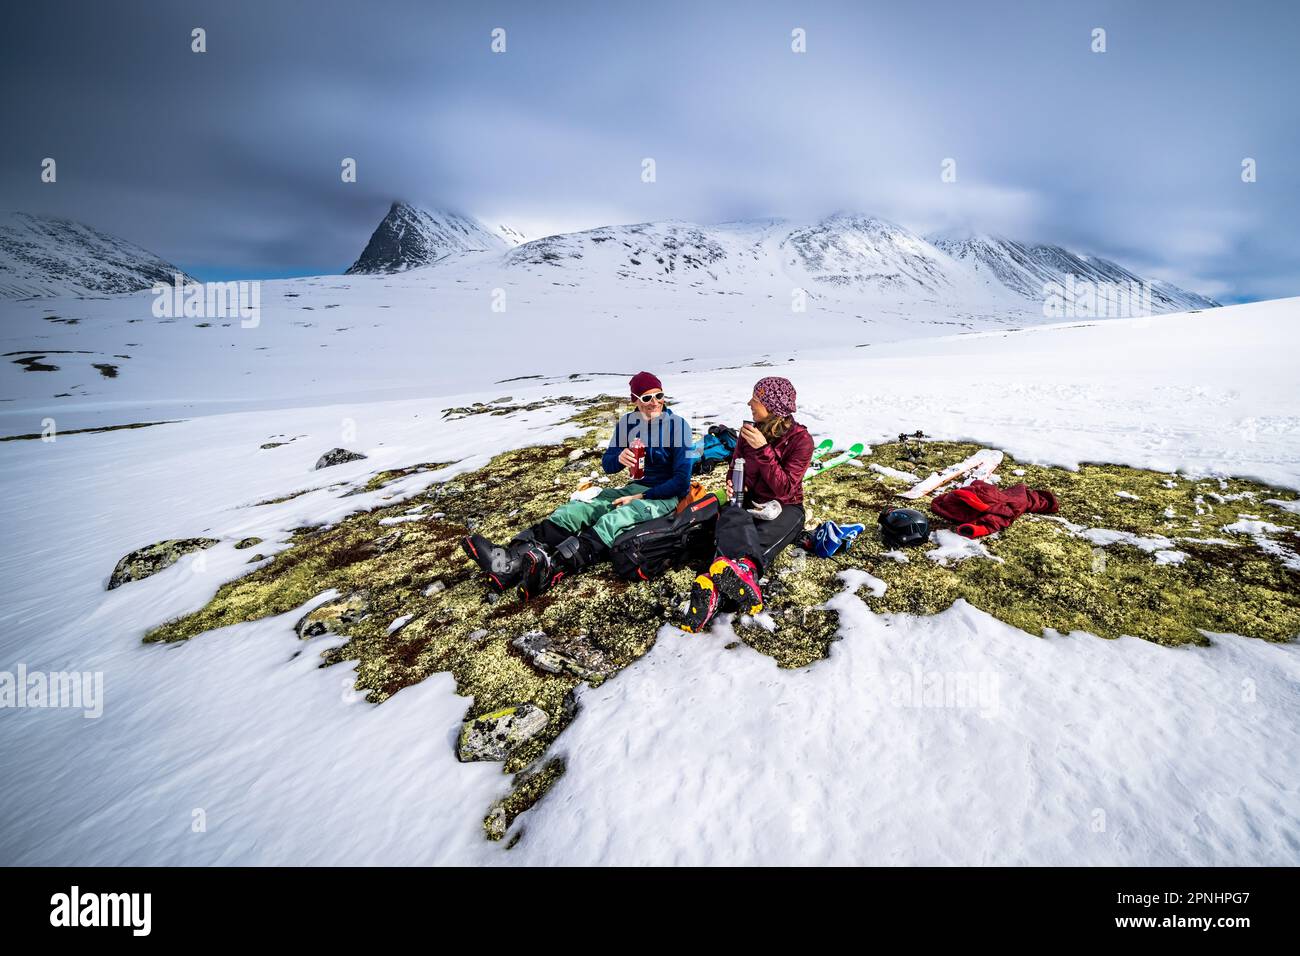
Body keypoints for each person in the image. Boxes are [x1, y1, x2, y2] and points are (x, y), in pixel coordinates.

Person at [462, 371, 694, 599]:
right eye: (647, 397)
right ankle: (508, 562)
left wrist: (640, 498)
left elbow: (681, 480)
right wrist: (619, 457)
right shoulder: (628, 423)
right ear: (634, 400)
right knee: (577, 509)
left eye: (659, 395)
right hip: (635, 488)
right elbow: (608, 464)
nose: (655, 402)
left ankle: (551, 569)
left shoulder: (677, 427)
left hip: (665, 496)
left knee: (613, 520)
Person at [680, 376, 813, 633]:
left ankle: (718, 585)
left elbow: (784, 488)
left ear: (773, 405)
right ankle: (737, 578)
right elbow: (736, 469)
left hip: (786, 507)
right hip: (748, 502)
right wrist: (734, 484)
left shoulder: (801, 441)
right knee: (732, 517)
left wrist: (763, 451)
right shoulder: (749, 432)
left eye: (757, 398)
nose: (750, 402)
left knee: (760, 535)